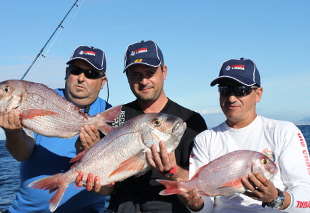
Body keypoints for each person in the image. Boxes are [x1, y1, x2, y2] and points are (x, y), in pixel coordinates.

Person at [75, 40, 208, 213]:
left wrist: (173, 171)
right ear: (128, 77)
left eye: (150, 72)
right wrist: (94, 178)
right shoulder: (117, 116)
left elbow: (201, 184)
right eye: (136, 74)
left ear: (164, 71)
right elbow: (106, 189)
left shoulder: (190, 121)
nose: (144, 81)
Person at [180, 58, 310, 212]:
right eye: (225, 90)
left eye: (241, 90)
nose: (231, 98)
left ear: (258, 94)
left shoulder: (284, 131)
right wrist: (195, 204)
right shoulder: (205, 139)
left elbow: (306, 198)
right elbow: (205, 205)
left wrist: (276, 198)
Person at [0, 45, 113, 213]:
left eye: (91, 74)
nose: (81, 78)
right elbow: (22, 154)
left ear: (102, 82)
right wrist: (12, 132)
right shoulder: (41, 98)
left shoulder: (113, 116)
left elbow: (109, 185)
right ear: (67, 73)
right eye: (76, 70)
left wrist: (95, 152)